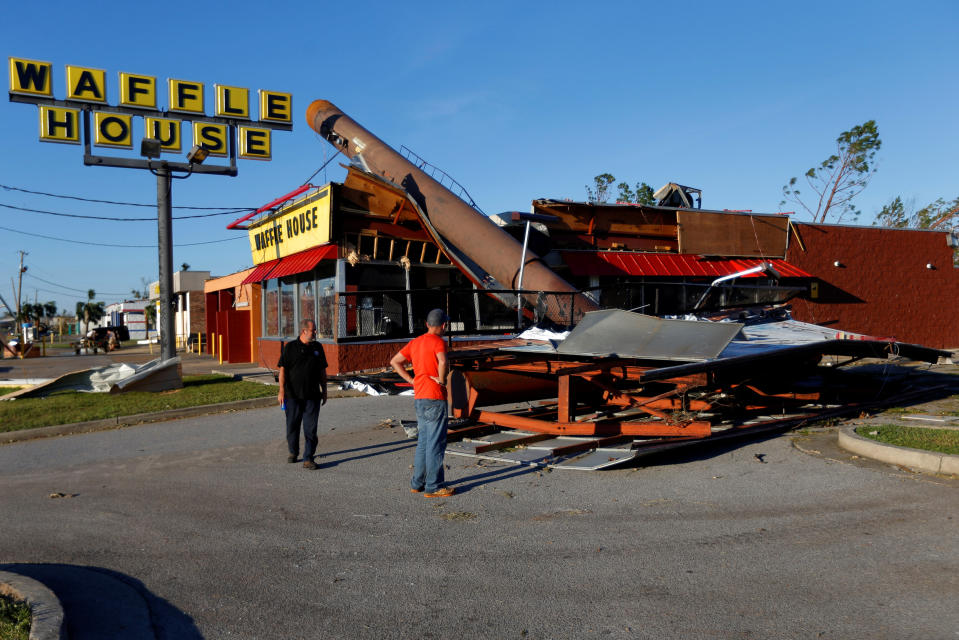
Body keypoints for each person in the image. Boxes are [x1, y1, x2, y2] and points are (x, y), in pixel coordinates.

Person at [390, 308, 454, 498]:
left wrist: (411, 380)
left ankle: (417, 483)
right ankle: (434, 486)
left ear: (427, 324)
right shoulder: (439, 342)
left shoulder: (415, 342)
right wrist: (442, 380)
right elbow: (442, 361)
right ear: (443, 326)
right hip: (435, 396)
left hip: (420, 396)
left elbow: (395, 362)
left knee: (424, 443)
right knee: (435, 444)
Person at [278, 319, 328, 470]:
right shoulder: (290, 348)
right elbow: (282, 370)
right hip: (292, 395)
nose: (315, 333)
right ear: (304, 331)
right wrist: (281, 390)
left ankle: (308, 458)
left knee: (310, 429)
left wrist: (324, 390)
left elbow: (322, 371)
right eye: (313, 330)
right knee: (292, 426)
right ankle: (293, 452)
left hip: (312, 396)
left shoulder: (318, 347)